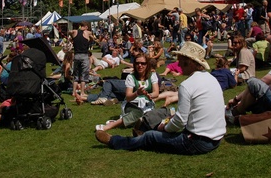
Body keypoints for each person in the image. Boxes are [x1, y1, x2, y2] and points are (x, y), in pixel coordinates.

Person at [95, 41, 225, 155]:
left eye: (180, 60)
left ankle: (115, 141)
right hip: (216, 138)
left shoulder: (187, 85)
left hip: (198, 141)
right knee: (164, 121)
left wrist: (165, 128)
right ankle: (144, 131)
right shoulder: (211, 79)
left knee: (151, 137)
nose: (178, 63)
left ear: (189, 62)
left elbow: (181, 120)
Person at [94, 53, 159, 132]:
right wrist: (137, 93)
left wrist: (149, 95)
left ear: (147, 64)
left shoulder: (152, 75)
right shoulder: (131, 77)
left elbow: (156, 93)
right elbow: (128, 97)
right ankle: (109, 126)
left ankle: (120, 121)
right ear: (134, 64)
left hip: (147, 104)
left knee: (148, 117)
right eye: (137, 63)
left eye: (143, 63)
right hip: (132, 104)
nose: (140, 65)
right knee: (138, 113)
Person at [69, 21, 94, 99]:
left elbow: (69, 32)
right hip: (84, 55)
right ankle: (82, 92)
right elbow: (93, 37)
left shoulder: (75, 32)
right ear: (86, 26)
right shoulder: (87, 33)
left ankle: (73, 92)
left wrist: (72, 36)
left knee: (76, 74)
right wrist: (91, 38)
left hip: (76, 55)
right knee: (84, 74)